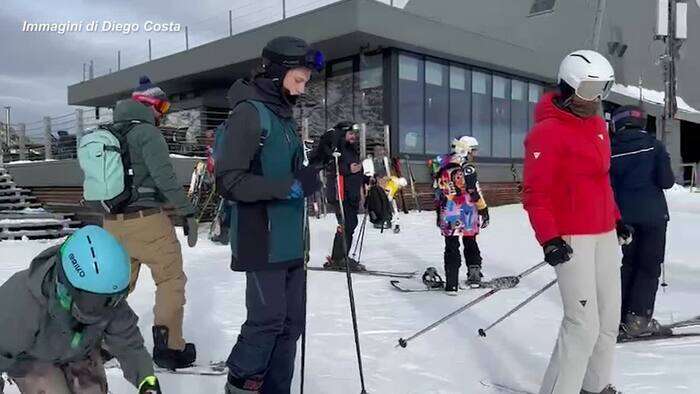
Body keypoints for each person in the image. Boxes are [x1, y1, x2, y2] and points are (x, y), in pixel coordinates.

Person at [215, 36, 324, 393]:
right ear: (276, 73)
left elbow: (288, 169)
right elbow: (230, 181)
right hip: (262, 239)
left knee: (291, 324)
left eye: (306, 81)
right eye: (298, 79)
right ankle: (240, 387)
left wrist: (316, 166)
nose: (302, 87)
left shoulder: (283, 115)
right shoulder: (250, 114)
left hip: (291, 239)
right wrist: (288, 186)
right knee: (266, 323)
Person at [523, 50, 631, 394]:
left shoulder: (598, 124)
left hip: (603, 234)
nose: (596, 98)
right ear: (569, 87)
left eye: (603, 89)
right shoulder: (547, 132)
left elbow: (602, 180)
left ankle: (594, 387)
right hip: (573, 238)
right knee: (582, 323)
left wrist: (616, 219)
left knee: (607, 321)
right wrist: (549, 238)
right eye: (588, 89)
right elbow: (535, 192)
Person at [102, 76, 199, 370]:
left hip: (112, 223)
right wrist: (188, 212)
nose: (163, 113)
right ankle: (169, 348)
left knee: (115, 286)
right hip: (147, 222)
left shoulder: (107, 134)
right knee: (169, 279)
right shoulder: (148, 133)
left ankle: (102, 342)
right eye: (162, 106)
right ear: (149, 104)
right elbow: (164, 178)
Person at [0, 226, 161, 394]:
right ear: (68, 287)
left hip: (80, 352)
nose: (102, 309)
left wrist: (146, 380)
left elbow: (128, 343)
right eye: (93, 301)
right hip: (32, 360)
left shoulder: (108, 299)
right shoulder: (20, 301)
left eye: (111, 299)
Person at [609, 105, 675, 338]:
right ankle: (638, 319)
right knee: (648, 268)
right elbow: (666, 181)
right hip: (653, 217)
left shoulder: (610, 150)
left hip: (623, 219)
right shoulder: (655, 147)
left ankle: (617, 318)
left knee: (629, 266)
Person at [432, 136, 489, 294]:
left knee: (451, 245)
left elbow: (438, 192)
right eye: (473, 151)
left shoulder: (442, 166)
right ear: (466, 149)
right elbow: (473, 190)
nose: (474, 155)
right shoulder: (466, 166)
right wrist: (484, 209)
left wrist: (438, 212)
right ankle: (474, 276)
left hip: (449, 209)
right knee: (470, 242)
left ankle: (452, 284)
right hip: (467, 210)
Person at [309, 121, 366, 271]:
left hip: (351, 193)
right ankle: (339, 258)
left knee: (350, 224)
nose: (354, 137)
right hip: (340, 193)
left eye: (355, 134)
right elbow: (331, 168)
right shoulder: (336, 150)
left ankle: (340, 256)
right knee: (346, 224)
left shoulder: (352, 150)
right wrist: (348, 169)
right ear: (343, 134)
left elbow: (355, 168)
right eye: (351, 134)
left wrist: (365, 175)